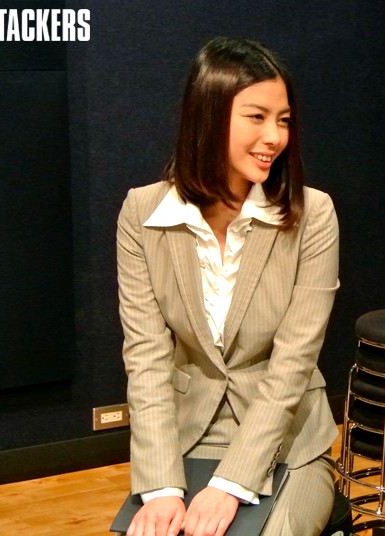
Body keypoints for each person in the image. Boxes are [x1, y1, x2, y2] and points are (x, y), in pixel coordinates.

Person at [116, 37, 339, 536]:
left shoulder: (314, 214)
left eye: (283, 120)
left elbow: (294, 361)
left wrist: (232, 482)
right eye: (256, 117)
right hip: (183, 439)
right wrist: (160, 487)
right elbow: (146, 356)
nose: (274, 137)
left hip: (289, 440)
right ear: (208, 117)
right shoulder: (141, 214)